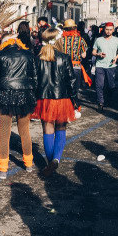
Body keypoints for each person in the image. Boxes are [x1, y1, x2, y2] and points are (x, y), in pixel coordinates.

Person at [0, 34, 37, 177]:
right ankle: (29, 163)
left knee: (4, 132)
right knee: (24, 130)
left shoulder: (1, 54)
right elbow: (35, 78)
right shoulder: (28, 54)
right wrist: (33, 95)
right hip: (25, 95)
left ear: (4, 43)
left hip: (4, 95)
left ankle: (3, 169)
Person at [33, 29, 77, 177]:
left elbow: (34, 81)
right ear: (58, 40)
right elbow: (71, 80)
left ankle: (50, 161)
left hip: (44, 99)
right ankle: (56, 159)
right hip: (62, 98)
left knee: (47, 128)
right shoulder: (64, 57)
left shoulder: (37, 58)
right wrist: (75, 100)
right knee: (61, 127)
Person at [92, 22, 118, 111]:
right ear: (104, 29)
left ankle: (108, 100)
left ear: (113, 30)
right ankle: (100, 102)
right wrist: (98, 54)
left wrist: (116, 57)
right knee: (99, 85)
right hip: (100, 65)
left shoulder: (117, 40)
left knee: (111, 85)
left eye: (110, 30)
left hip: (111, 66)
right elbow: (93, 52)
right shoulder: (99, 40)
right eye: (107, 29)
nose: (108, 31)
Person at [61, 19, 89, 113]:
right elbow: (84, 55)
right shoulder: (80, 39)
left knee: (64, 87)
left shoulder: (60, 40)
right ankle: (75, 107)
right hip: (75, 66)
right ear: (74, 28)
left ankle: (65, 107)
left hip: (63, 67)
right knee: (75, 88)